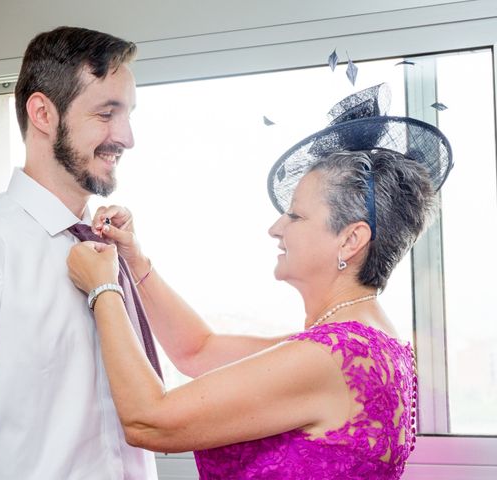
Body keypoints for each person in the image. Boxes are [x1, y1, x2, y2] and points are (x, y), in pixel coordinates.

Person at [66, 83, 453, 479]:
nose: (275, 228)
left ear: (351, 239)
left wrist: (104, 289)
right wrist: (134, 261)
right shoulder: (364, 345)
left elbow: (149, 419)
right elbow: (198, 352)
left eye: (296, 216)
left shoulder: (330, 356)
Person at [0, 26, 160, 479]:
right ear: (43, 113)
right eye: (106, 113)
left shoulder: (110, 248)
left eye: (128, 114)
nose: (127, 136)